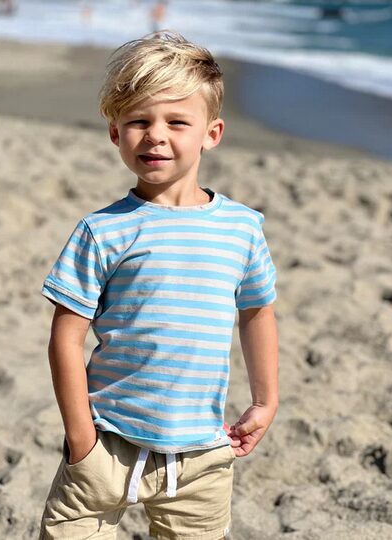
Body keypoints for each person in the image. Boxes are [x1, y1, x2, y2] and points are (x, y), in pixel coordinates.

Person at [38, 30, 279, 540]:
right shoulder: (102, 231)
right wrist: (81, 437)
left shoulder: (241, 228)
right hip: (106, 442)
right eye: (138, 121)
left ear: (211, 134)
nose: (155, 136)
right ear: (114, 133)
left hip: (202, 456)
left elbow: (257, 311)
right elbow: (66, 336)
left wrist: (265, 399)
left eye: (176, 122)